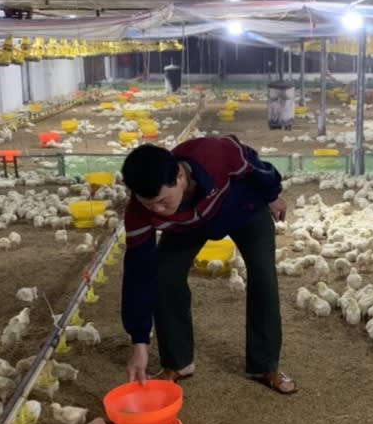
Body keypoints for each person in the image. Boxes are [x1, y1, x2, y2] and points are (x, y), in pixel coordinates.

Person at [120, 135, 296, 394]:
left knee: (263, 276)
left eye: (164, 201)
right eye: (149, 204)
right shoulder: (139, 213)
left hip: (244, 210)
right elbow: (138, 275)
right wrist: (139, 343)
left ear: (179, 176)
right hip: (188, 226)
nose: (158, 210)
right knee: (163, 276)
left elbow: (254, 164)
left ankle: (264, 364)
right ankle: (178, 363)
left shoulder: (214, 154)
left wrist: (272, 194)